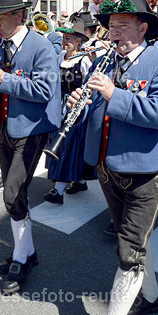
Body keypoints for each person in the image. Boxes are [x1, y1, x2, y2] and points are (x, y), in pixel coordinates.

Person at [68, 0, 158, 315]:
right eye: (110, 24)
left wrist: (114, 95)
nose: (112, 31)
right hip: (107, 166)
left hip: (144, 170)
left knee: (129, 251)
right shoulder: (106, 63)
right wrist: (81, 104)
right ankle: (151, 298)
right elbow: (101, 111)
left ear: (143, 28)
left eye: (121, 24)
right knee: (132, 241)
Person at [0, 0, 59, 295]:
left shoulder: (41, 46)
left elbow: (45, 90)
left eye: (2, 17)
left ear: (20, 15)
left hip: (30, 130)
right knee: (16, 196)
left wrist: (5, 80)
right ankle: (27, 253)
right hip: (2, 127)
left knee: (11, 194)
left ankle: (21, 257)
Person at [44, 16, 95, 204]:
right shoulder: (59, 58)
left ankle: (58, 191)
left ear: (78, 41)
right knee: (69, 147)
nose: (65, 42)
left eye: (69, 39)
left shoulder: (84, 61)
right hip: (60, 106)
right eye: (64, 38)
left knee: (68, 146)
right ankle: (80, 181)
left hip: (76, 108)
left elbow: (90, 86)